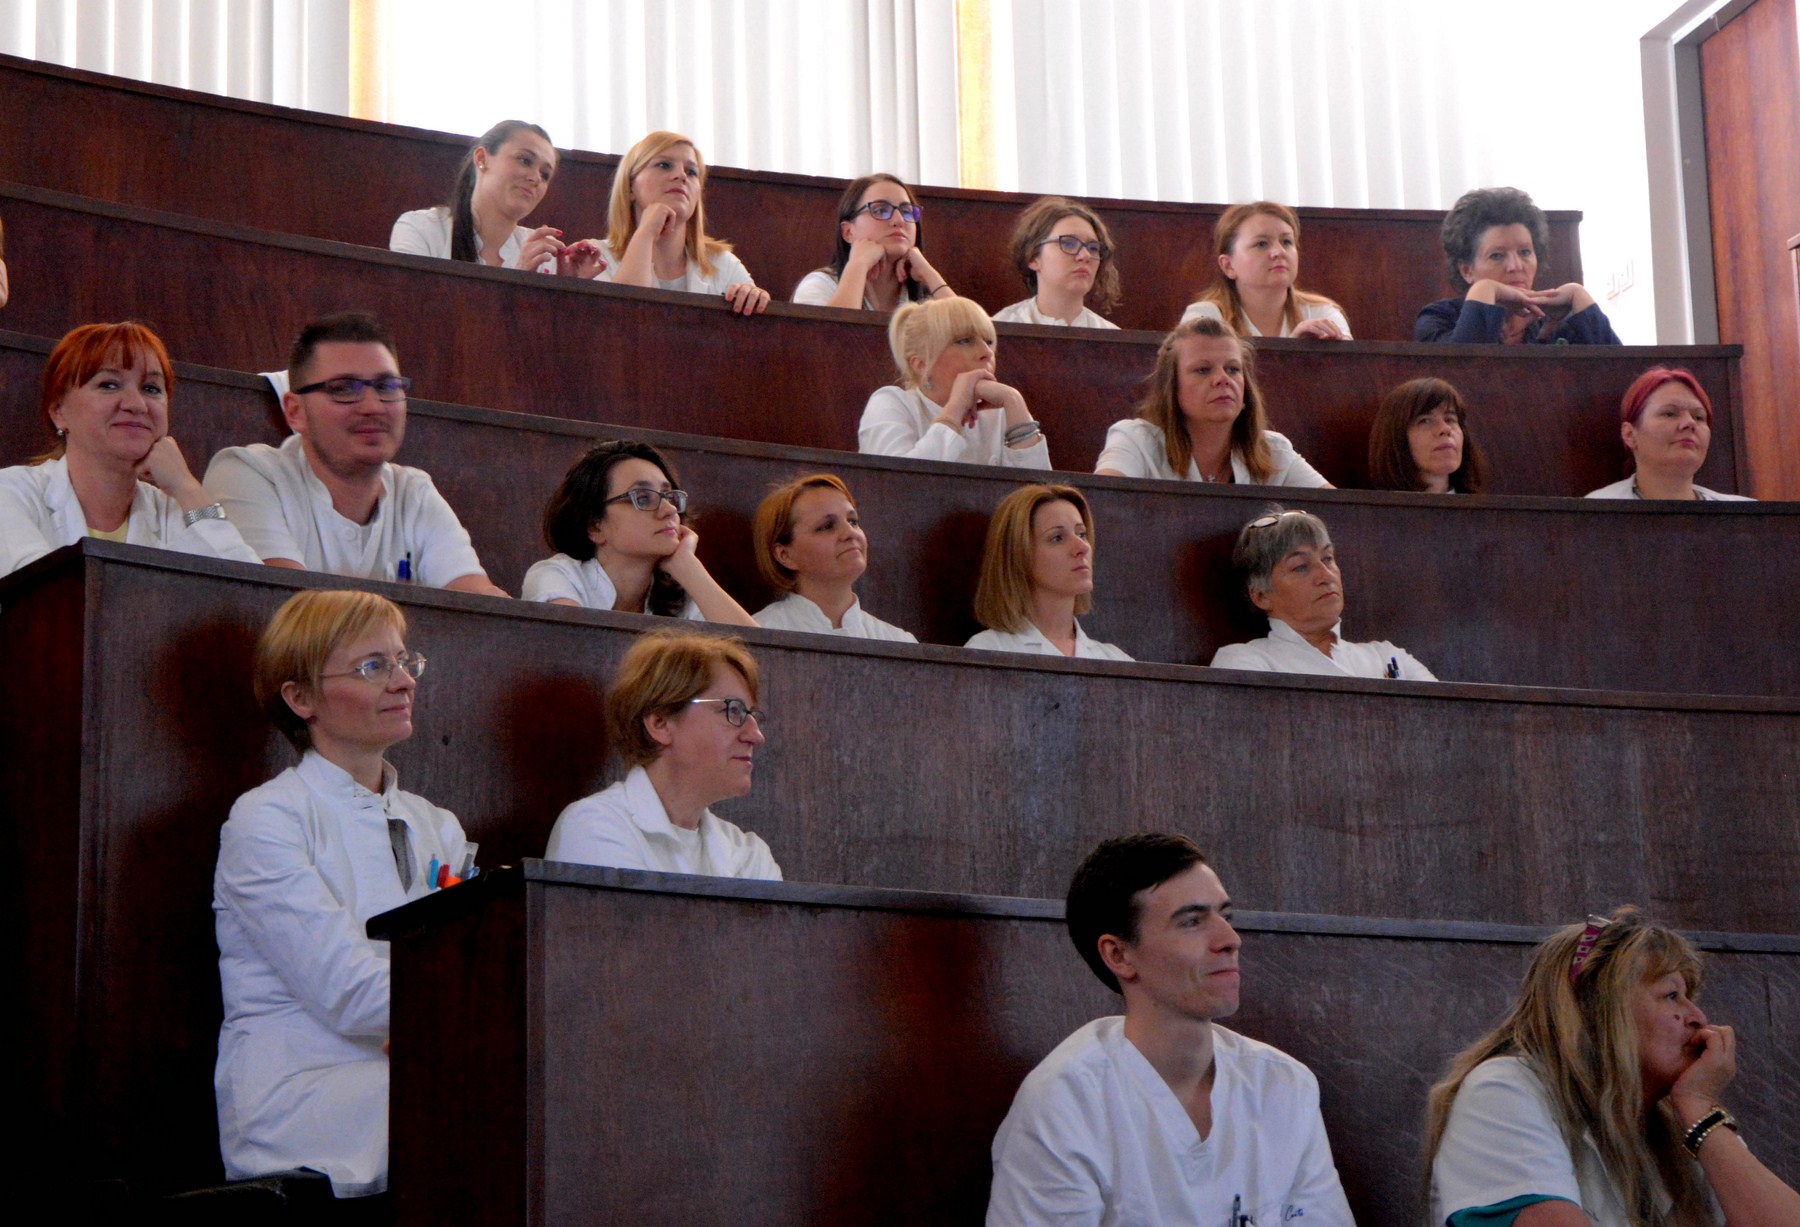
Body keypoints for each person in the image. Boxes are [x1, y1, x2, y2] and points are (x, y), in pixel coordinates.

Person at [215, 589, 473, 1201]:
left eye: (405, 661)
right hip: (306, 1095)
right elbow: (347, 993)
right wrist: (465, 1016)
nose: (403, 681)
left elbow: (466, 962)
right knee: (492, 1102)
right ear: (301, 698)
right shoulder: (266, 818)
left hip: (409, 1069)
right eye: (372, 667)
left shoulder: (439, 824)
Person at [987, 833, 1354, 1226]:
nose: (1230, 940)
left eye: (1225, 917)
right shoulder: (1064, 1103)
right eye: (1192, 921)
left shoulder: (1284, 1085)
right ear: (1119, 955)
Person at [1426, 906, 1800, 1227]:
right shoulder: (1503, 1090)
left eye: (1689, 998)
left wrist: (1700, 1109)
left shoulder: (1679, 1120)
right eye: (1671, 995)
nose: (1698, 1018)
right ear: (1601, 1010)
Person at [203, 312, 508, 595]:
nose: (373, 406)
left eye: (387, 386)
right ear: (295, 412)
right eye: (344, 389)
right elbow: (284, 610)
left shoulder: (414, 492)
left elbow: (483, 610)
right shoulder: (246, 473)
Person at [1, 321, 259, 580]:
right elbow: (45, 603)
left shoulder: (174, 511)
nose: (137, 404)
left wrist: (187, 487)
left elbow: (251, 601)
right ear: (58, 411)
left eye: (151, 389)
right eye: (109, 385)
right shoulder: (11, 493)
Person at [544, 629, 781, 879]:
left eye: (752, 715)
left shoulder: (749, 853)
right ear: (660, 723)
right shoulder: (594, 827)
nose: (756, 736)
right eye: (733, 711)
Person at [522, 440, 757, 625]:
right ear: (595, 526)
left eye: (669, 496)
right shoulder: (556, 576)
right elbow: (576, 648)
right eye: (643, 497)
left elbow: (760, 660)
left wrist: (687, 567)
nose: (669, 509)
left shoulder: (680, 596)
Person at [1095, 317, 1331, 487]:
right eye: (1202, 370)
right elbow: (1102, 507)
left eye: (1232, 369)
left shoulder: (1274, 451)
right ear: (1172, 387)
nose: (1222, 379)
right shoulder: (1135, 440)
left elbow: (1337, 516)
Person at [1210, 507, 1436, 680]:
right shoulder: (1243, 661)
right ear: (1261, 595)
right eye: (1300, 566)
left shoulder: (1387, 656)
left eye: (1327, 558)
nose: (1325, 575)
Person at [388, 119, 603, 277]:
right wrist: (517, 280)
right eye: (524, 160)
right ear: (482, 159)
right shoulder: (419, 228)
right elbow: (415, 314)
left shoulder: (542, 253)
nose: (536, 178)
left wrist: (566, 290)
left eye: (545, 174)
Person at [858, 295, 1050, 469]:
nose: (987, 352)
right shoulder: (890, 403)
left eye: (989, 341)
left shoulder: (1001, 413)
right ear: (921, 364)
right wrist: (955, 409)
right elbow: (899, 484)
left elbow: (1039, 498)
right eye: (964, 341)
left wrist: (1014, 400)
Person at [590, 130, 771, 315]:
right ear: (630, 186)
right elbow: (623, 320)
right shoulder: (595, 257)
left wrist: (753, 297)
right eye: (664, 165)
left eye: (691, 172)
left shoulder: (722, 264)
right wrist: (645, 233)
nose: (681, 175)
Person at [1416, 187, 1621, 345]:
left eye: (1524, 252)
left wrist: (1579, 296)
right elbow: (1460, 378)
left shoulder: (1559, 324)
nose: (1515, 266)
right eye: (1497, 256)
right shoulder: (1439, 318)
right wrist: (1484, 290)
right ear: (1467, 271)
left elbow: (1622, 383)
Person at [965, 483, 1131, 661]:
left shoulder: (1116, 660)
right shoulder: (987, 651)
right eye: (1057, 538)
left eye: (1081, 534)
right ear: (1019, 555)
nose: (1081, 547)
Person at [750, 473, 917, 641]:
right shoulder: (758, 634)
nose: (850, 533)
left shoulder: (900, 642)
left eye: (852, 521)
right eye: (827, 526)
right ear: (785, 555)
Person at [1181, 201, 1351, 339]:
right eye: (1261, 244)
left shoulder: (1322, 314)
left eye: (1286, 242)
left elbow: (1347, 378)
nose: (1279, 252)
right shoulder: (1205, 318)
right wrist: (1294, 352)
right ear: (1228, 266)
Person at [1586, 368, 1753, 502]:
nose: (1689, 423)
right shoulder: (1593, 512)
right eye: (1670, 414)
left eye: (1699, 417)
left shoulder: (1747, 517)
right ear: (1629, 434)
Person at [791, 173, 951, 312]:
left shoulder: (928, 299)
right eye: (881, 210)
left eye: (906, 212)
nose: (899, 220)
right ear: (848, 232)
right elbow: (835, 341)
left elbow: (970, 334)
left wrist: (929, 273)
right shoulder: (820, 286)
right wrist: (857, 265)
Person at [992, 196, 1121, 329]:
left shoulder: (1114, 340)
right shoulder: (997, 331)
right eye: (1069, 243)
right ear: (1033, 257)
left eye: (1093, 248)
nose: (1085, 255)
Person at [1366, 377, 1489, 494]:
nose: (1445, 429)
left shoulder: (1487, 514)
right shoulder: (1371, 515)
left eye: (1450, 419)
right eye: (1425, 420)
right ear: (1397, 438)